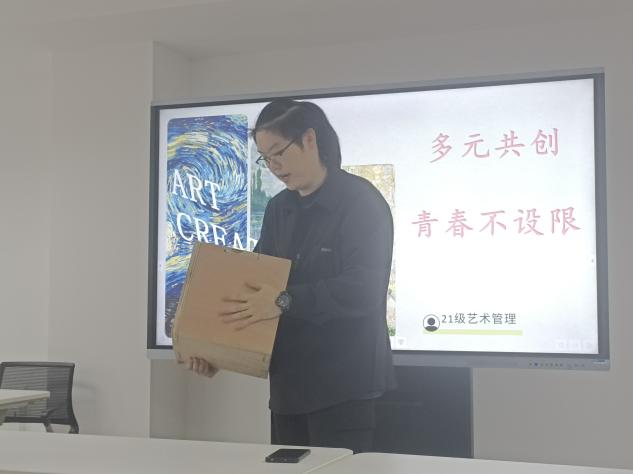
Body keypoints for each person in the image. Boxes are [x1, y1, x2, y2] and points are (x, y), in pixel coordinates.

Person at [187, 99, 396, 453]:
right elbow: (253, 286)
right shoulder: (279, 208)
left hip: (345, 389)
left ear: (309, 139)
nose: (273, 166)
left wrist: (284, 300)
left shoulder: (361, 202)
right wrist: (216, 351)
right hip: (288, 389)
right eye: (265, 158)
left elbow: (363, 289)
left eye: (278, 152)